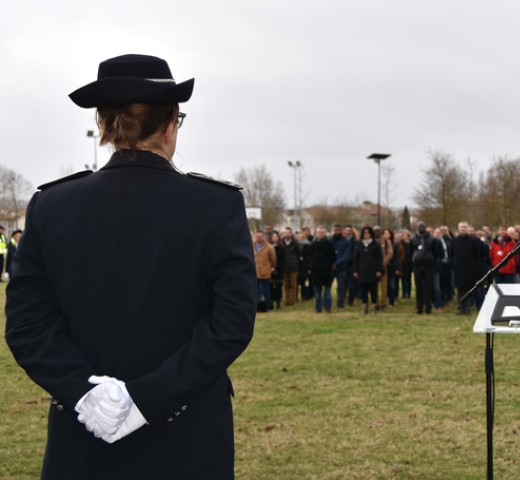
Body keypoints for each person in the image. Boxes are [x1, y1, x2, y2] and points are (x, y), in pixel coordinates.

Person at [4, 54, 256, 480]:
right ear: (171, 125)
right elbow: (230, 323)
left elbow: (28, 326)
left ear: (104, 126)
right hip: (186, 430)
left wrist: (84, 394)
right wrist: (149, 397)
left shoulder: (50, 205)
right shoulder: (215, 205)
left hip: (82, 435)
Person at [451, 221, 486, 315]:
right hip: (458, 270)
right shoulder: (454, 241)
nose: (462, 229)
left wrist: (474, 268)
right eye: (461, 227)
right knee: (459, 290)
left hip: (469, 270)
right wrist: (454, 265)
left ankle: (467, 308)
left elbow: (478, 256)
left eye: (464, 227)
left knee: (468, 290)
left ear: (467, 228)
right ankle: (460, 307)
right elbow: (452, 254)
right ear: (458, 229)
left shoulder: (473, 241)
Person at [353, 226, 383, 314]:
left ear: (371, 234)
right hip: (362, 271)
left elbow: (379, 258)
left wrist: (379, 270)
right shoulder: (358, 244)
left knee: (373, 290)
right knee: (363, 290)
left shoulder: (376, 244)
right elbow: (355, 258)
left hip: (373, 271)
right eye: (364, 233)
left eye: (368, 233)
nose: (366, 234)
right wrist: (355, 271)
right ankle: (364, 306)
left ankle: (374, 306)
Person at [309, 226, 336, 313]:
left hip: (327, 271)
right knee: (317, 293)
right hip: (316, 271)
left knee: (327, 292)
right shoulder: (312, 245)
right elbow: (309, 258)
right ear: (316, 233)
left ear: (325, 234)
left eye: (322, 232)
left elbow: (333, 257)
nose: (320, 234)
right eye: (319, 232)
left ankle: (327, 308)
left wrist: (331, 266)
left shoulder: (329, 244)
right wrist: (310, 268)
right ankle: (318, 308)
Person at [411, 221, 436, 315]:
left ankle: (428, 308)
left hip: (428, 266)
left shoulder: (431, 239)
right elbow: (410, 253)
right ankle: (419, 308)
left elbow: (435, 252)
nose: (421, 228)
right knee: (418, 288)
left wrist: (433, 262)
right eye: (419, 226)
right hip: (417, 266)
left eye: (422, 226)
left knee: (428, 288)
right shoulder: (413, 239)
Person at [253, 232, 277, 312]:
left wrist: (270, 267)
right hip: (255, 272)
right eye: (257, 236)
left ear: (263, 237)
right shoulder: (252, 246)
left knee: (266, 290)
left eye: (260, 236)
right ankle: (258, 307)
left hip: (265, 272)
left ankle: (268, 306)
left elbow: (273, 259)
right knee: (257, 291)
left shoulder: (269, 247)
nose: (258, 238)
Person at [279, 227, 300, 306]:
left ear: (291, 234)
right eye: (286, 233)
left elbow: (298, 255)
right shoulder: (281, 243)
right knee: (286, 285)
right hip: (284, 267)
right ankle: (287, 300)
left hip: (293, 267)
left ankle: (293, 300)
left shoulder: (295, 243)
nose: (287, 234)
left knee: (293, 285)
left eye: (288, 232)